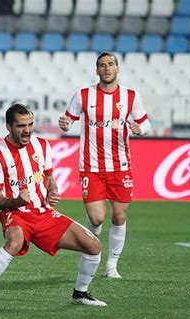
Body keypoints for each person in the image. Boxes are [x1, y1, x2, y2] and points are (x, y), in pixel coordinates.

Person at [0, 103, 107, 309]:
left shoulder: (41, 145)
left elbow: (49, 178)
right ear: (8, 127)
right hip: (16, 213)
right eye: (21, 126)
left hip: (44, 214)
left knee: (93, 246)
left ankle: (80, 293)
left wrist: (52, 191)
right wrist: (17, 202)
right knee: (14, 243)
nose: (28, 130)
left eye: (30, 124)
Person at [59, 52, 151, 279]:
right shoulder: (83, 95)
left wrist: (141, 130)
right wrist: (64, 124)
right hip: (91, 167)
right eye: (102, 65)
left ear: (117, 69)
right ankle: (94, 235)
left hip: (121, 167)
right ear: (97, 70)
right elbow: (68, 119)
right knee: (97, 218)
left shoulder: (131, 96)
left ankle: (111, 265)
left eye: (111, 65)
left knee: (119, 217)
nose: (107, 68)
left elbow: (145, 123)